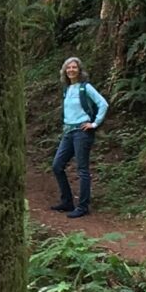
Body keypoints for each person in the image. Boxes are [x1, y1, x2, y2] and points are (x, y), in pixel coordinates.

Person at [50, 56, 108, 217]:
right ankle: (67, 201)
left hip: (82, 132)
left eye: (74, 67)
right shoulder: (67, 89)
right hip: (68, 132)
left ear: (79, 70)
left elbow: (103, 104)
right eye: (68, 68)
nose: (71, 70)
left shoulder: (85, 87)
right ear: (64, 71)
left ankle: (83, 207)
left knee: (82, 169)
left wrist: (94, 123)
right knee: (57, 165)